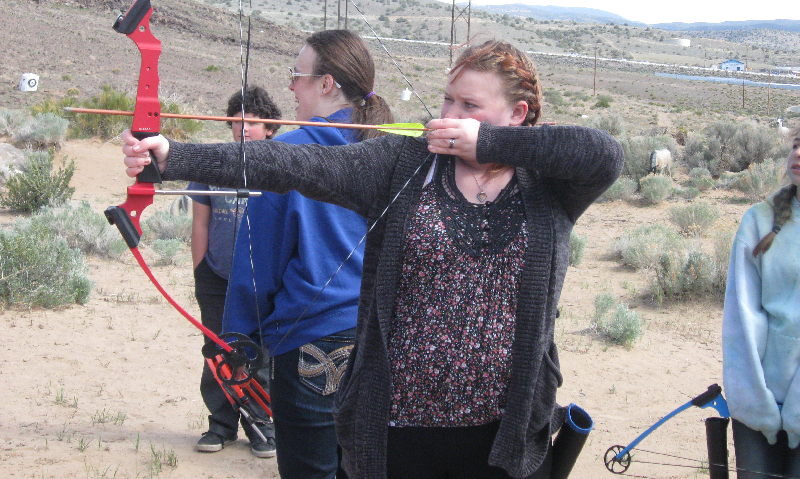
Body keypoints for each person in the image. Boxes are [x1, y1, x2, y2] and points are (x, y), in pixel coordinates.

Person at [122, 39, 624, 479]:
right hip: (396, 432)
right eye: (448, 99)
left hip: (506, 434)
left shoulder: (551, 186)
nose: (450, 115)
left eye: (470, 105)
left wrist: (488, 143)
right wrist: (172, 158)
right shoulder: (405, 163)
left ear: (518, 115)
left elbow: (604, 153)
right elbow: (295, 162)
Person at [215, 30, 393, 478]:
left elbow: (256, 266)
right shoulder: (394, 149)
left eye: (297, 75)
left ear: (327, 84)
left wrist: (237, 339)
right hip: (383, 344)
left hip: (311, 346)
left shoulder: (285, 155)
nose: (291, 87)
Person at [191, 85, 281, 457]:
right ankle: (222, 425)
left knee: (257, 353)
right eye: (236, 122)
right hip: (216, 275)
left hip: (261, 279)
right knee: (217, 351)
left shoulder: (281, 166)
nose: (243, 129)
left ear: (271, 129)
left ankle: (263, 426)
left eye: (253, 123)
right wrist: (200, 271)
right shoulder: (214, 164)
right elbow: (200, 223)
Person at [722, 124, 800, 479]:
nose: (797, 154)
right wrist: (753, 401)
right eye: (796, 145)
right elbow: (741, 318)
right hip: (761, 401)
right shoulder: (759, 220)